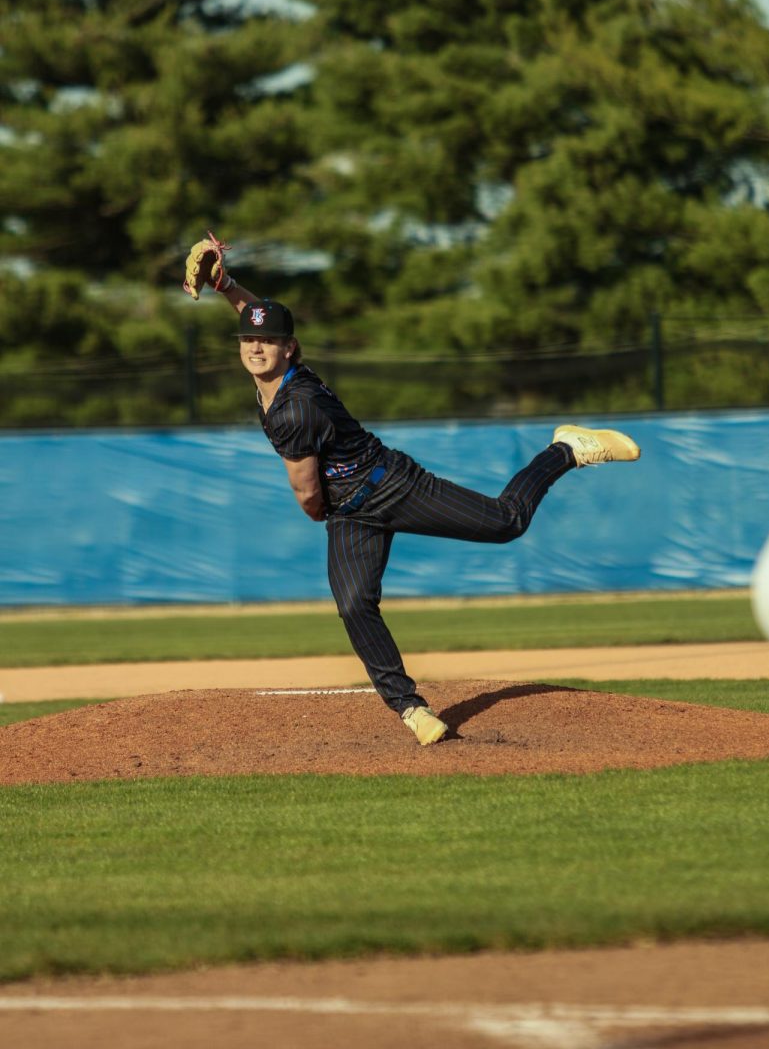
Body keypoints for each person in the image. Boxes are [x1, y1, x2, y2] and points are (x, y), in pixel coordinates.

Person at [183, 235, 642, 745]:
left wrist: (320, 512)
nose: (255, 347)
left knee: (505, 522)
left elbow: (308, 495)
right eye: (248, 341)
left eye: (267, 342)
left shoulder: (296, 406)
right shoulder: (273, 368)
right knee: (355, 604)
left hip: (390, 484)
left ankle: (566, 451)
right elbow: (258, 316)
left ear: (289, 348)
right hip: (353, 512)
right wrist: (225, 284)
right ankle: (410, 708)